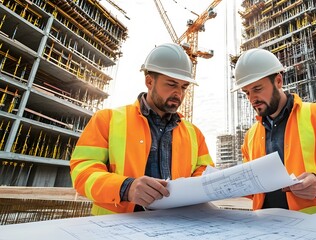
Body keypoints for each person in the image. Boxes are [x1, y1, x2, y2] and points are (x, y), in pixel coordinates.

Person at [70, 43, 214, 215]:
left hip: (176, 225)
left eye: (184, 87)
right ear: (149, 81)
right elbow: (82, 172)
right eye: (171, 84)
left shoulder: (194, 133)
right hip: (116, 229)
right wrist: (126, 188)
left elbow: (205, 174)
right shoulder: (107, 120)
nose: (179, 93)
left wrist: (191, 191)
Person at [232, 48, 316, 224]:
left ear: (278, 81)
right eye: (247, 92)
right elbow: (256, 189)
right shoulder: (250, 136)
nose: (252, 98)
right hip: (268, 228)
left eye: (257, 88)